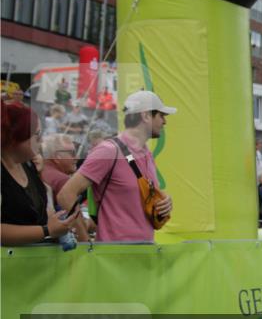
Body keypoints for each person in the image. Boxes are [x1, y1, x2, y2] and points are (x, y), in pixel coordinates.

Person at [57, 91, 175, 243]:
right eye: (161, 115)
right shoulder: (108, 151)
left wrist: (165, 201)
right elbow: (65, 195)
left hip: (144, 254)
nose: (164, 122)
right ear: (146, 116)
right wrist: (84, 240)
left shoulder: (146, 153)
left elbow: (136, 196)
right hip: (113, 257)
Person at [1, 102, 80, 246]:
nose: (41, 140)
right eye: (37, 135)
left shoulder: (28, 165)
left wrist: (57, 230)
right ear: (15, 139)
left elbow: (39, 214)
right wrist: (47, 231)